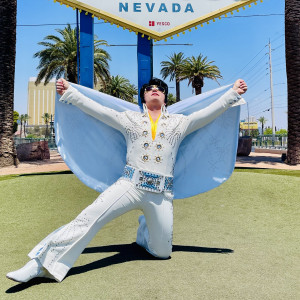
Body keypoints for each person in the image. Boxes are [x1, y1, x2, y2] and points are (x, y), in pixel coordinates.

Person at [6, 77, 247, 283]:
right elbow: (98, 110)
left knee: (163, 252)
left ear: (165, 98)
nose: (155, 90)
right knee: (88, 219)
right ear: (143, 96)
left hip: (161, 194)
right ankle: (40, 264)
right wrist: (71, 93)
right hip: (129, 185)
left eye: (160, 89)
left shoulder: (181, 123)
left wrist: (232, 93)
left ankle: (145, 233)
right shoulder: (129, 118)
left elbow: (210, 112)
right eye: (150, 88)